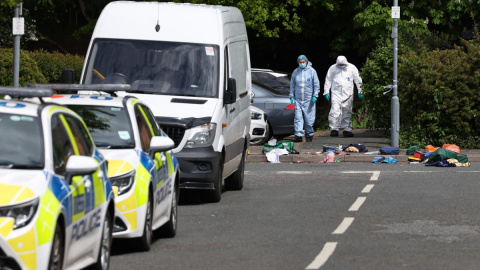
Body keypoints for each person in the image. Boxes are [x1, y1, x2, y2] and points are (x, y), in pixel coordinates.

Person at [323, 55, 363, 137]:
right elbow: (328, 80)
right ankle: (334, 129)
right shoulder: (332, 68)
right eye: (339, 65)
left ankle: (347, 130)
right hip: (336, 93)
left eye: (342, 64)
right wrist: (326, 91)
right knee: (334, 111)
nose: (341, 66)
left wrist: (360, 90)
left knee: (347, 111)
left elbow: (357, 79)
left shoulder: (352, 68)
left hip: (348, 94)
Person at [289, 55, 320, 142]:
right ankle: (298, 135)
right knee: (298, 118)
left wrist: (315, 95)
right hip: (298, 100)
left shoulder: (312, 71)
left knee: (309, 118)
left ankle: (309, 135)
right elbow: (292, 85)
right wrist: (291, 96)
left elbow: (316, 84)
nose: (302, 64)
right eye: (300, 62)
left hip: (308, 99)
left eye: (303, 62)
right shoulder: (296, 72)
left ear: (306, 62)